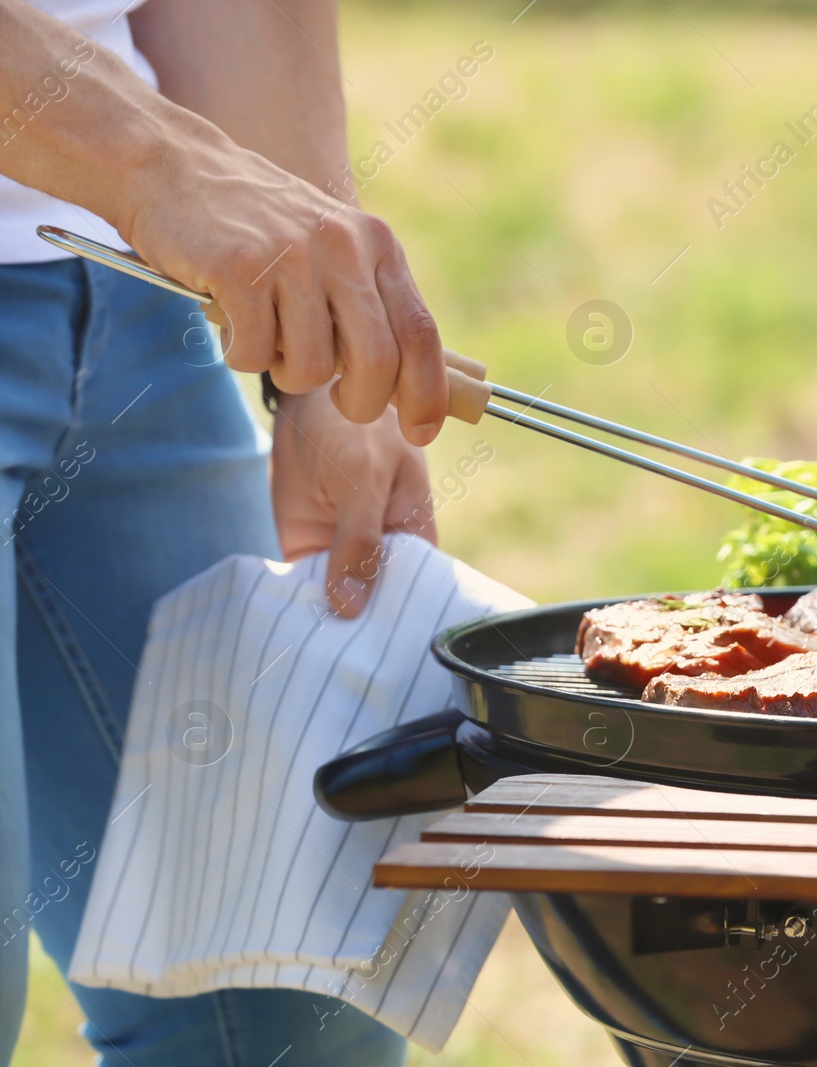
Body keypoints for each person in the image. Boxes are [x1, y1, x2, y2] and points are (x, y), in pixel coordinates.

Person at [0, 0, 447, 1061]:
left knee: (289, 1004)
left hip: (125, 286)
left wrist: (320, 352)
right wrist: (160, 163)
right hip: (136, 180)